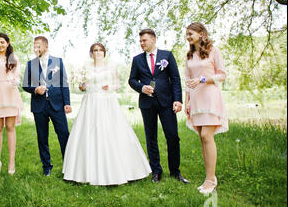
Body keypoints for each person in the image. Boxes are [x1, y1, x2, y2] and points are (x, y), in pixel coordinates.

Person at [62, 43, 151, 185]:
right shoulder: (86, 67)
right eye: (95, 50)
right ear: (91, 53)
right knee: (88, 132)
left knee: (111, 131)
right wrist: (82, 86)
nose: (98, 52)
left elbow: (118, 85)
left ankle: (121, 168)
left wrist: (110, 87)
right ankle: (85, 170)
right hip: (90, 101)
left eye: (100, 50)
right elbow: (81, 86)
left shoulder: (111, 66)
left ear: (104, 52)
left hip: (107, 101)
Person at [128, 29, 190, 184]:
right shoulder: (137, 60)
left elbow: (175, 79)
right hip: (147, 103)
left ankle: (175, 172)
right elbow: (132, 80)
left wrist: (178, 100)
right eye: (140, 41)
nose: (142, 43)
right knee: (151, 138)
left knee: (173, 136)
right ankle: (156, 171)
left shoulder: (167, 55)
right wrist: (142, 87)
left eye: (145, 40)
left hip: (166, 102)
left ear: (153, 39)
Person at [184, 22, 228, 194]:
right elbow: (187, 80)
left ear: (201, 33)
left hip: (210, 97)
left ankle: (210, 180)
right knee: (202, 139)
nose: (188, 37)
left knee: (206, 135)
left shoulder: (213, 50)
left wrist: (203, 79)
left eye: (191, 34)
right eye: (187, 34)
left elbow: (222, 75)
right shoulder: (189, 55)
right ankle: (210, 176)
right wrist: (186, 101)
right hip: (195, 99)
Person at [22, 36, 71, 176]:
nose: (35, 48)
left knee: (64, 135)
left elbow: (64, 83)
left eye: (38, 46)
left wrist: (67, 103)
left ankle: (68, 165)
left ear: (46, 46)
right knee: (42, 137)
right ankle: (46, 167)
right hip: (39, 105)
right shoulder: (30, 64)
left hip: (57, 104)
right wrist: (35, 89)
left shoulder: (58, 62)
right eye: (34, 46)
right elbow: (25, 85)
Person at [0, 33, 23, 176]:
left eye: (2, 42)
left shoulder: (14, 58)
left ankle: (11, 161)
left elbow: (17, 76)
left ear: (7, 43)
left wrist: (14, 80)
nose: (0, 45)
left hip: (10, 94)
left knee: (10, 127)